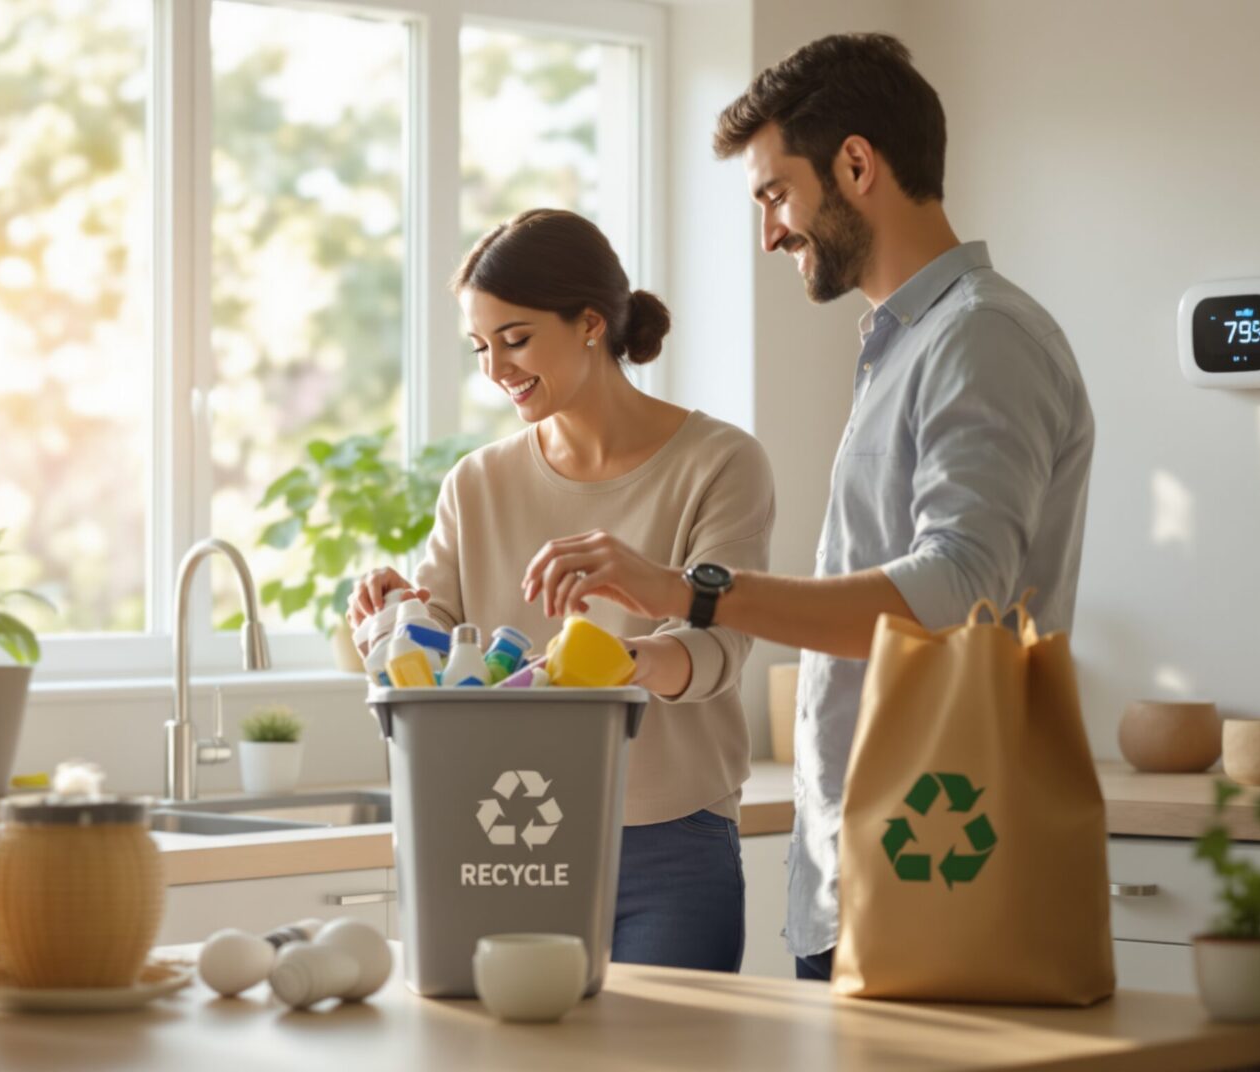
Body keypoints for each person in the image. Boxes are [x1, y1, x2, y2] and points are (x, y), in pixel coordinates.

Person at [520, 33, 1095, 981]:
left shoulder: (981, 339)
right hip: (872, 864)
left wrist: (693, 590)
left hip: (942, 863)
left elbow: (956, 590)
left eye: (775, 193)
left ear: (857, 164)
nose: (770, 232)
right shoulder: (907, 349)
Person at [350, 209, 775, 972]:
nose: (495, 369)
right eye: (480, 347)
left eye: (514, 339)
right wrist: (391, 614)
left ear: (589, 323)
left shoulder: (718, 463)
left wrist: (623, 665)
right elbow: (443, 645)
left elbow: (720, 648)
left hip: (669, 843)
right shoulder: (477, 482)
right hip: (505, 836)